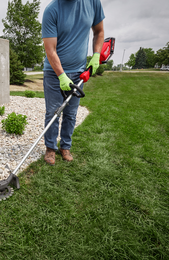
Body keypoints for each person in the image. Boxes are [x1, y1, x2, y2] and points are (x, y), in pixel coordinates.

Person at [42, 0, 105, 165]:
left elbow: (99, 31)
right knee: (53, 112)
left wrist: (96, 54)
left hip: (79, 72)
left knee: (71, 114)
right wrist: (61, 75)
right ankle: (50, 148)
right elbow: (50, 49)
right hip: (53, 72)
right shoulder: (52, 10)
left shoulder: (93, 3)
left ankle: (65, 147)